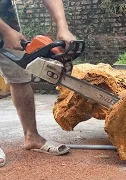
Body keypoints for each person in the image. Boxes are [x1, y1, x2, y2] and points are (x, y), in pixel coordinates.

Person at [0, 0, 76, 167]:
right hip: (5, 28)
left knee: (20, 77)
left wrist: (62, 25)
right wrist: (5, 31)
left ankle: (31, 137)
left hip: (6, 22)